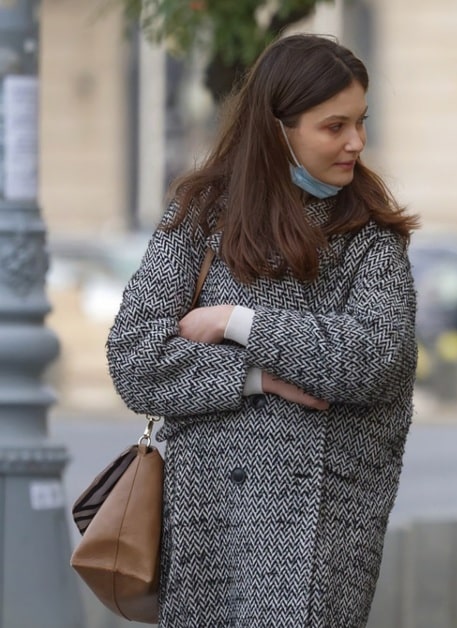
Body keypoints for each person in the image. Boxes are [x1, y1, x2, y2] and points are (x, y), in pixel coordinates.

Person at [106, 34, 419, 627]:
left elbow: (377, 358)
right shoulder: (200, 214)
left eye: (361, 123)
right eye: (334, 127)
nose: (356, 142)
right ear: (279, 129)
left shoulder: (371, 234)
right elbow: (134, 359)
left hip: (324, 533)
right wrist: (256, 377)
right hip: (209, 531)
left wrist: (235, 322)